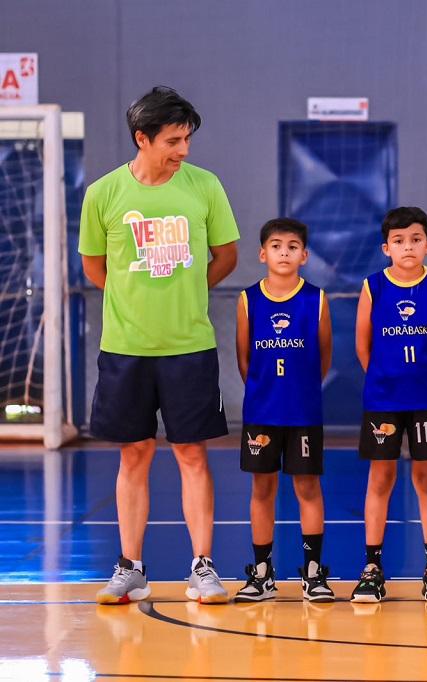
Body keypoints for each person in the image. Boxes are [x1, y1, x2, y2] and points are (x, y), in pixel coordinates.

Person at [81, 86, 239, 605]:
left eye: (188, 138)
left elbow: (226, 255)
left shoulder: (205, 186)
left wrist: (185, 293)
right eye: (173, 140)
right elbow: (95, 268)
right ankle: (131, 567)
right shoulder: (103, 194)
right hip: (126, 348)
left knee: (192, 453)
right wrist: (137, 299)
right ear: (142, 138)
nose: (184, 151)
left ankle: (202, 567)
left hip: (189, 346)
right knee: (134, 456)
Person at [351, 206, 427, 603]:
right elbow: (363, 346)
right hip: (383, 399)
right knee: (381, 479)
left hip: (426, 397)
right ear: (386, 247)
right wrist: (385, 377)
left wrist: (420, 377)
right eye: (399, 241)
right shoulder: (373, 286)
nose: (407, 246)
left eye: (415, 239)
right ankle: (373, 567)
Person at [233, 218, 334, 603]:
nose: (284, 252)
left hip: (304, 412)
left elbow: (324, 355)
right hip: (262, 412)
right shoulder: (248, 300)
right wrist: (265, 390)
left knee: (308, 487)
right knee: (263, 488)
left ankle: (312, 572)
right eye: (276, 246)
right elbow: (245, 359)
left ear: (304, 256)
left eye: (293, 246)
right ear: (263, 254)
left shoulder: (316, 299)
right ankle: (262, 573)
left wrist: (302, 388)